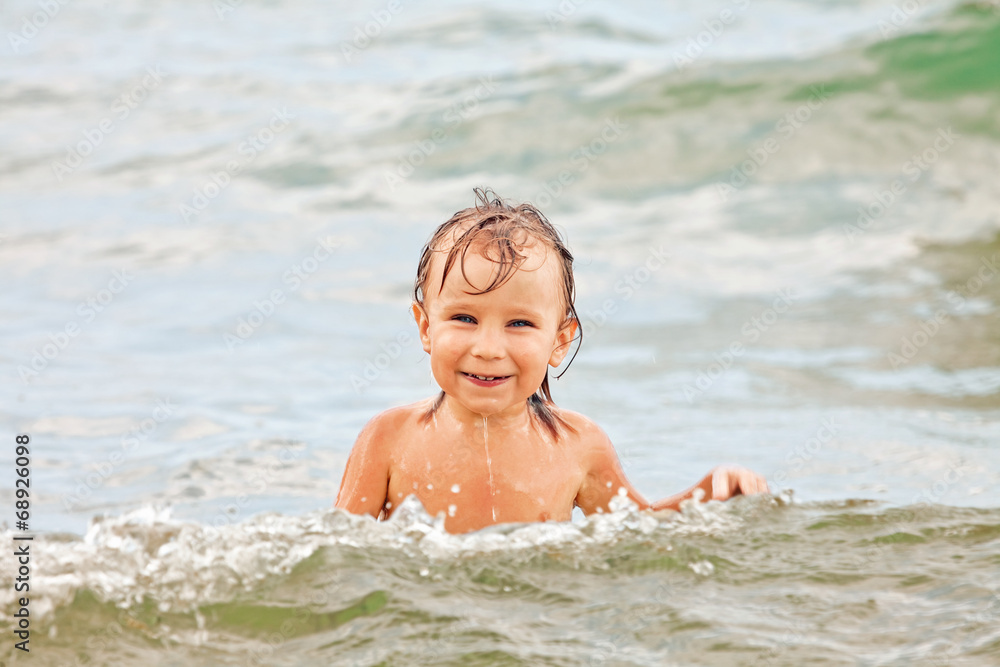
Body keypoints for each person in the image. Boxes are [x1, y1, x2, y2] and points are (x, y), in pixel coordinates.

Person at [335, 188, 768, 534]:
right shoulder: (389, 439)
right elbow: (332, 553)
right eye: (464, 318)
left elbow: (642, 532)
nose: (488, 347)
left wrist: (708, 493)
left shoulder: (577, 446)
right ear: (426, 327)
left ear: (559, 341)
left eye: (519, 324)